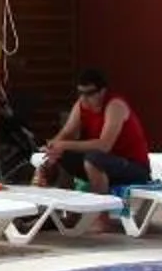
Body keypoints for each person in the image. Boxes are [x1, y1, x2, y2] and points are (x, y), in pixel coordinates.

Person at [38, 67, 151, 206]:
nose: (84, 98)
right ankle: (65, 210)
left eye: (89, 94)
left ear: (102, 91)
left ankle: (100, 213)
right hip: (104, 164)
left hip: (134, 168)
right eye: (80, 93)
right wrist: (52, 150)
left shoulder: (115, 106)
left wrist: (63, 145)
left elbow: (104, 145)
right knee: (62, 156)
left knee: (94, 159)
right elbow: (67, 133)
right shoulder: (81, 106)